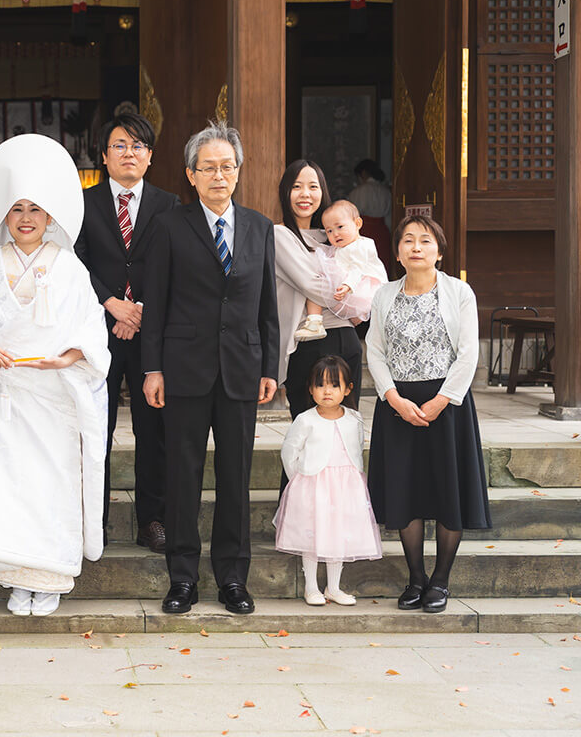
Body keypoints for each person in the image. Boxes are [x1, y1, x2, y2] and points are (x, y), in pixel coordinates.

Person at [0, 135, 110, 617]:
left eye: (35, 209)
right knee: (8, 485)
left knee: (51, 485)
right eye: (16, 208)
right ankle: (16, 579)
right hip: (4, 397)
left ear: (50, 217)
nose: (25, 218)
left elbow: (91, 327)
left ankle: (53, 578)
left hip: (53, 396)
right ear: (5, 216)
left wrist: (71, 356)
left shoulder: (71, 269)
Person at [141, 120, 279, 616]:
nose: (218, 176)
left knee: (235, 478)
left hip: (242, 367)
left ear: (238, 171)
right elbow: (155, 302)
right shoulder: (170, 226)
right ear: (190, 175)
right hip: (183, 368)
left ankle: (232, 579)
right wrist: (152, 368)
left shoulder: (261, 228)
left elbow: (267, 305)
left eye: (227, 167)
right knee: (183, 476)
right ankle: (182, 578)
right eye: (208, 168)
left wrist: (269, 365)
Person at [366, 215, 491, 614]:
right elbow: (375, 350)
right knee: (406, 490)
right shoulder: (384, 295)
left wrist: (441, 400)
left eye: (425, 240)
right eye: (407, 240)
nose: (416, 247)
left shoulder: (459, 292)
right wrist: (393, 398)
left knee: (447, 489)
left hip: (447, 406)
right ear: (397, 251)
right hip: (398, 406)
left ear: (439, 250)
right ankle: (415, 578)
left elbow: (468, 351)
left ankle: (441, 581)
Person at [74, 112, 179, 553]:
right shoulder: (82, 203)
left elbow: (176, 268)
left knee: (152, 429)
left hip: (151, 334)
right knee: (95, 426)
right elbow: (73, 262)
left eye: (138, 146)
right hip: (97, 332)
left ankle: (151, 519)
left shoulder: (171, 205)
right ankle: (90, 520)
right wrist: (110, 302)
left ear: (150, 156)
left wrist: (141, 310)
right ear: (104, 155)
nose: (129, 153)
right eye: (120, 145)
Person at [274, 355, 382, 606]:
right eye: (320, 385)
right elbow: (289, 452)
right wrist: (300, 481)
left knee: (338, 535)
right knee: (312, 536)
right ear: (310, 389)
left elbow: (357, 449)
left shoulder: (354, 419)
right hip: (313, 487)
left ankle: (333, 587)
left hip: (346, 488)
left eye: (334, 385)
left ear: (347, 389)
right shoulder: (305, 419)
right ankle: (311, 587)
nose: (327, 391)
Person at [273, 160, 364, 429]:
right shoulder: (279, 236)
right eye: (297, 187)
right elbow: (314, 286)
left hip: (346, 341)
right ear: (285, 192)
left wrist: (358, 299)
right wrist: (355, 303)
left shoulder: (335, 236)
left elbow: (367, 273)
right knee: (308, 435)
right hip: (308, 345)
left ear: (323, 192)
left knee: (346, 431)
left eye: (313, 187)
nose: (305, 194)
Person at [294, 199, 387, 341]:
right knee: (317, 280)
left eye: (340, 227)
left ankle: (315, 320)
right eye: (329, 230)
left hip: (359, 287)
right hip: (348, 288)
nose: (335, 234)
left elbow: (358, 268)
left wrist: (348, 285)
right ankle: (316, 321)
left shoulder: (362, 245)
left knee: (318, 283)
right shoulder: (340, 248)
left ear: (357, 224)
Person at [347, 158, 394, 273]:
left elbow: (350, 215)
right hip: (383, 231)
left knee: (363, 264)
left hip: (364, 231)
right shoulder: (386, 191)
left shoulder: (359, 191)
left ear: (363, 173)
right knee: (382, 264)